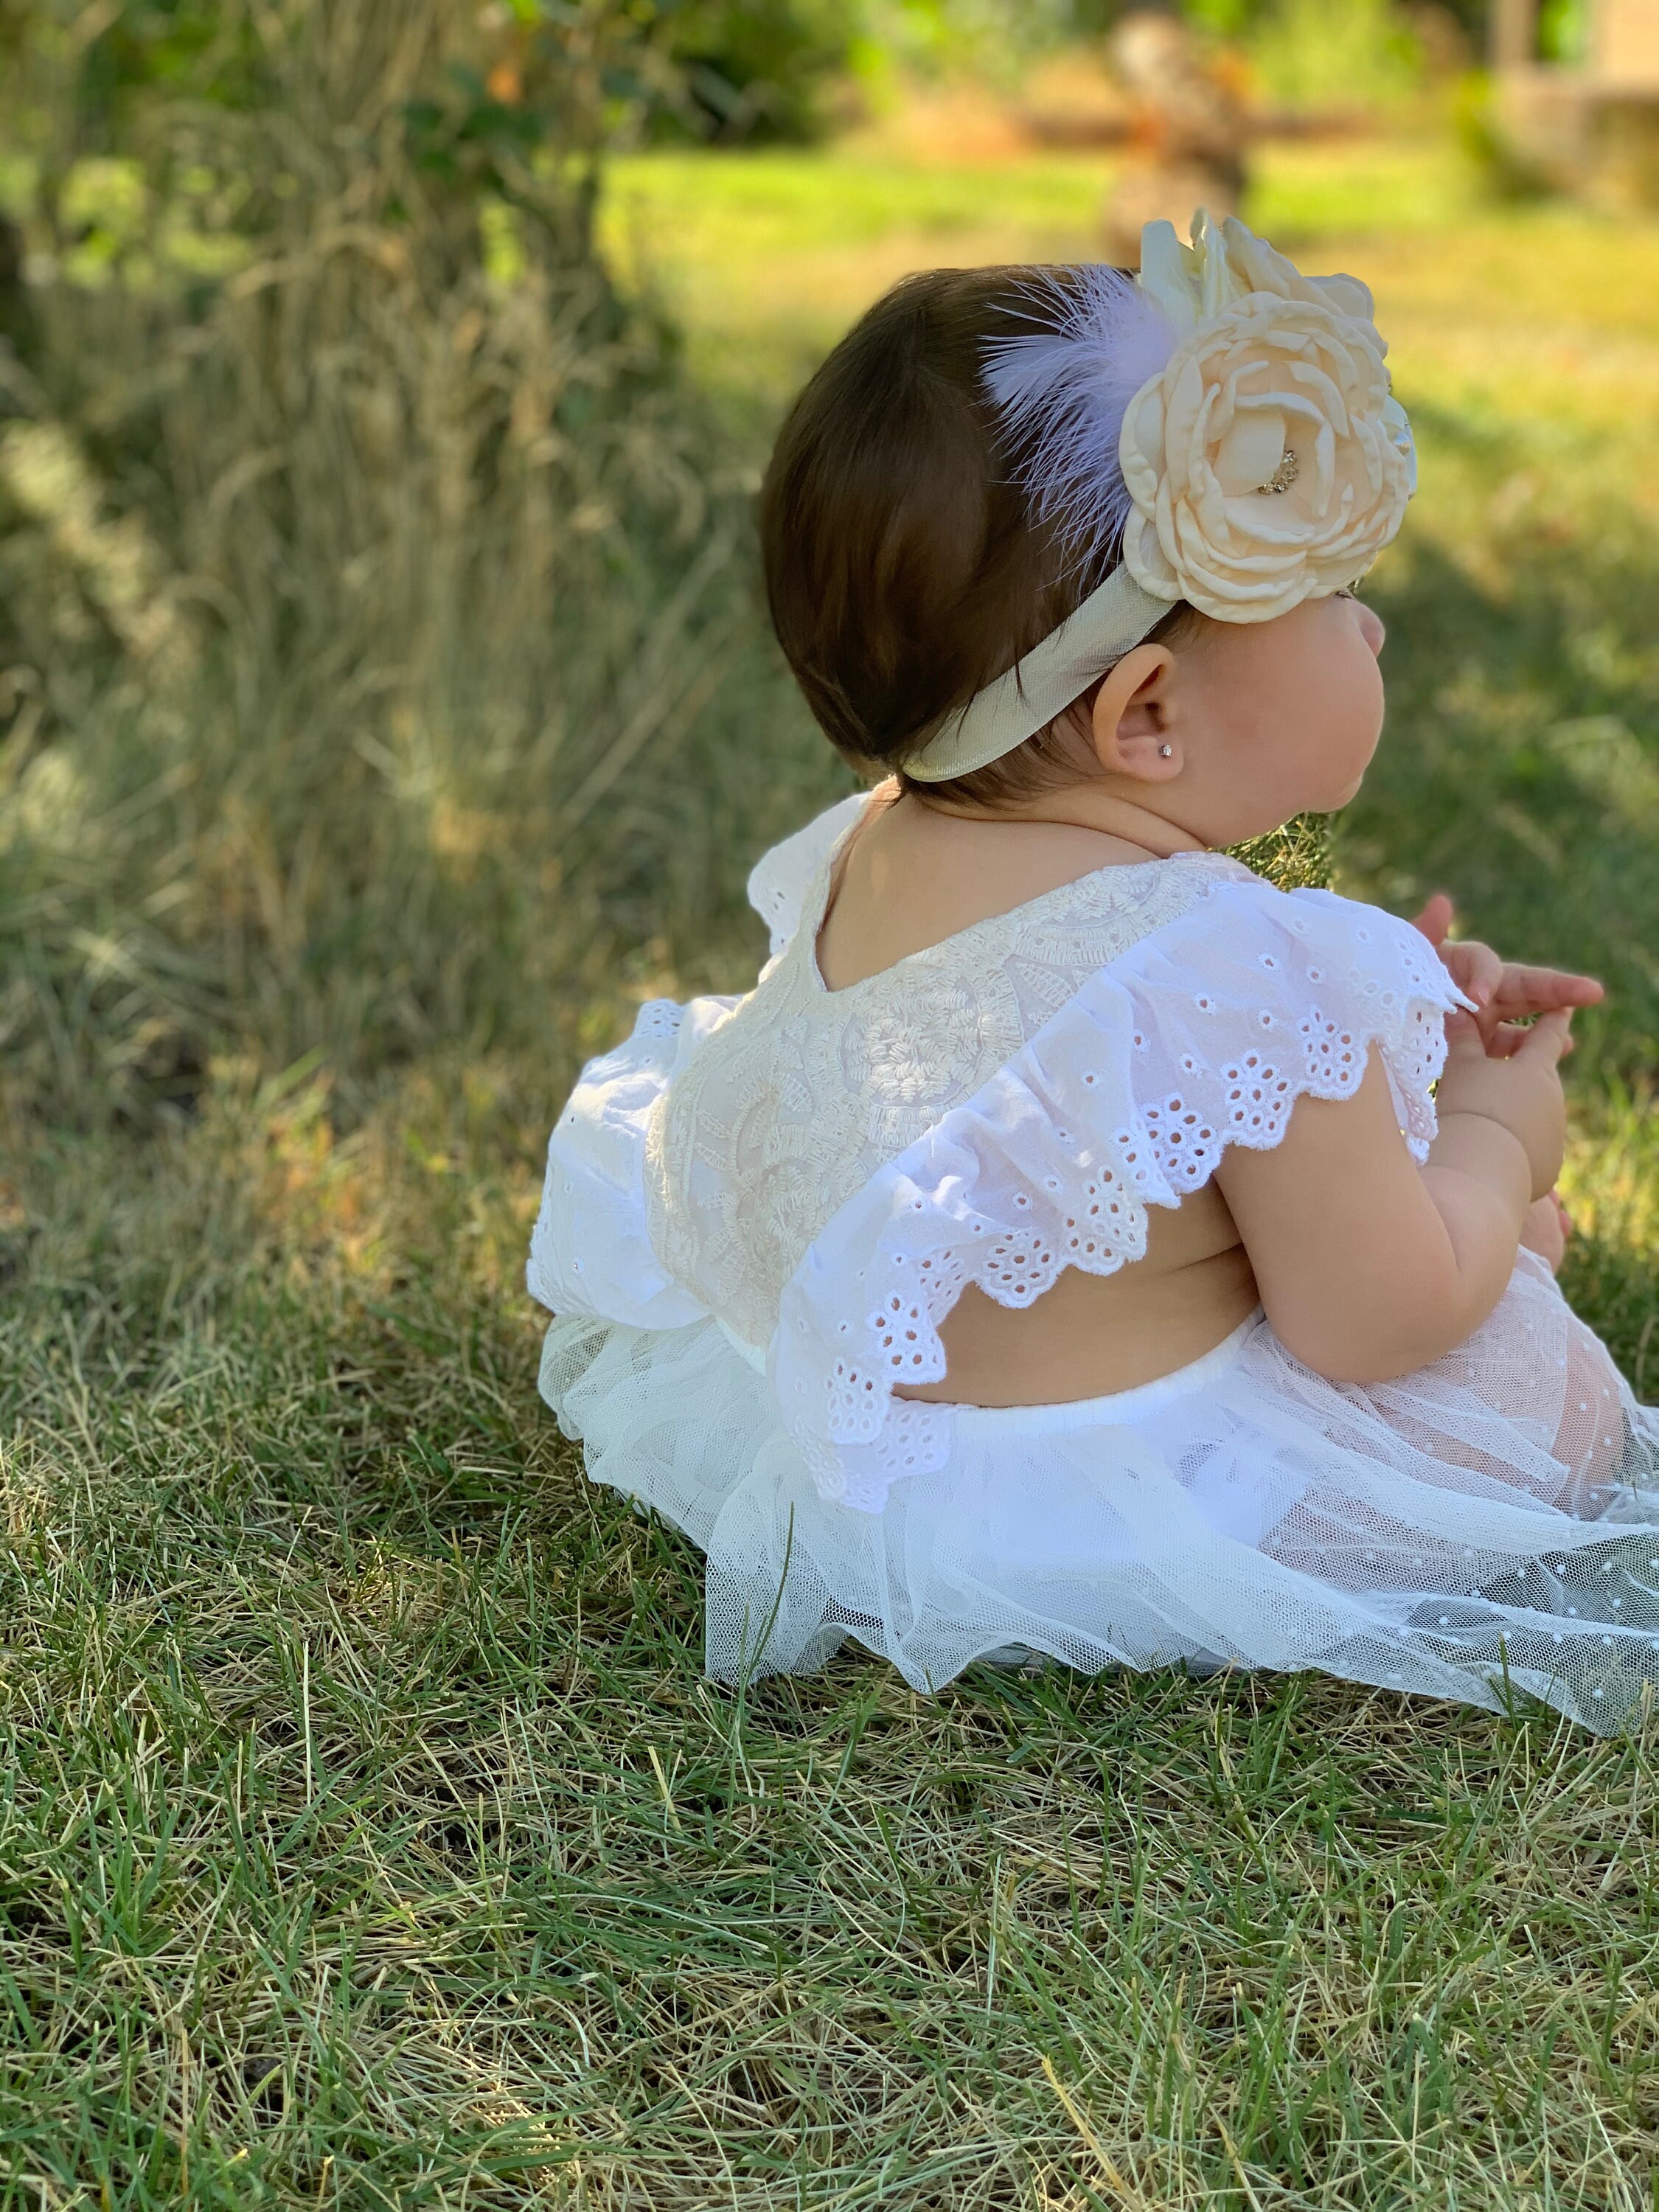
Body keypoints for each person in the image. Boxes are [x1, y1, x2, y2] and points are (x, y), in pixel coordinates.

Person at [529, 212, 1659, 1731]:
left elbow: (1103, 1095)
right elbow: (1373, 1321)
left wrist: (1371, 1036)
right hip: (1095, 1519)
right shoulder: (1229, 963)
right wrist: (1497, 1136)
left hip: (871, 1466)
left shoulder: (877, 841)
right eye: (1329, 596)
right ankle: (1496, 1246)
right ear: (1145, 719)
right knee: (1548, 1390)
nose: (1375, 621)